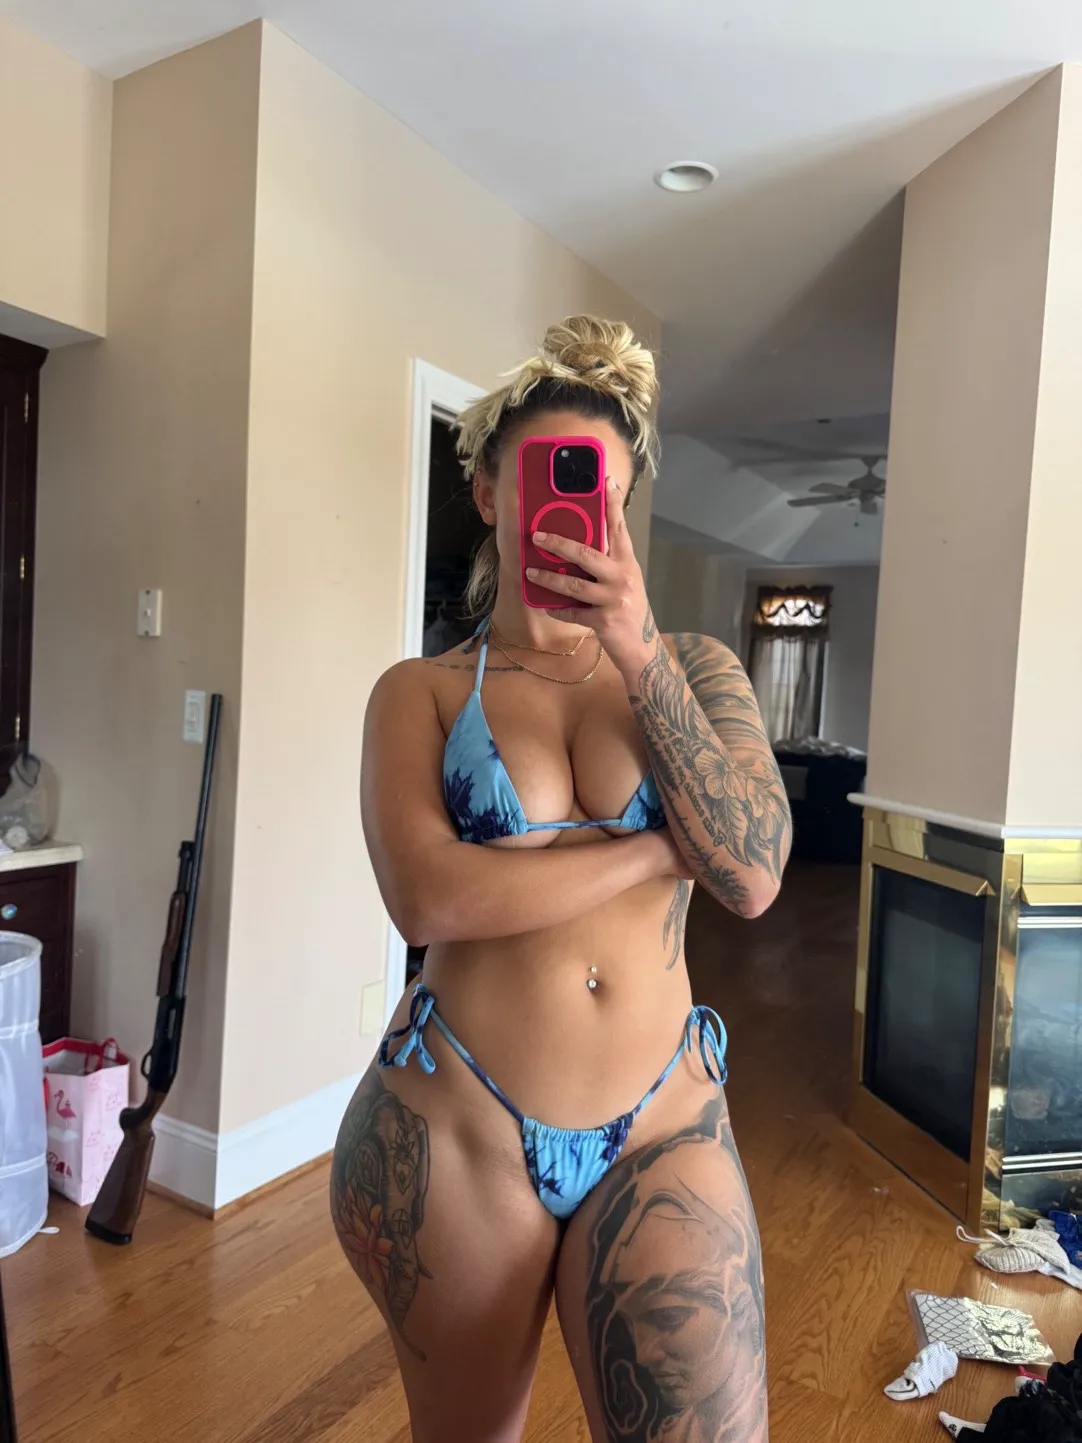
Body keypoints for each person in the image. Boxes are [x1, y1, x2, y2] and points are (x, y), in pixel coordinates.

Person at [331, 316, 790, 1443]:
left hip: (663, 1119)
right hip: (457, 1125)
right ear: (489, 490)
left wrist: (636, 649)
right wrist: (655, 848)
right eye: (546, 476)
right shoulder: (421, 691)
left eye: (602, 488)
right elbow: (428, 898)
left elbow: (751, 876)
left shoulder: (693, 669)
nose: (574, 508)